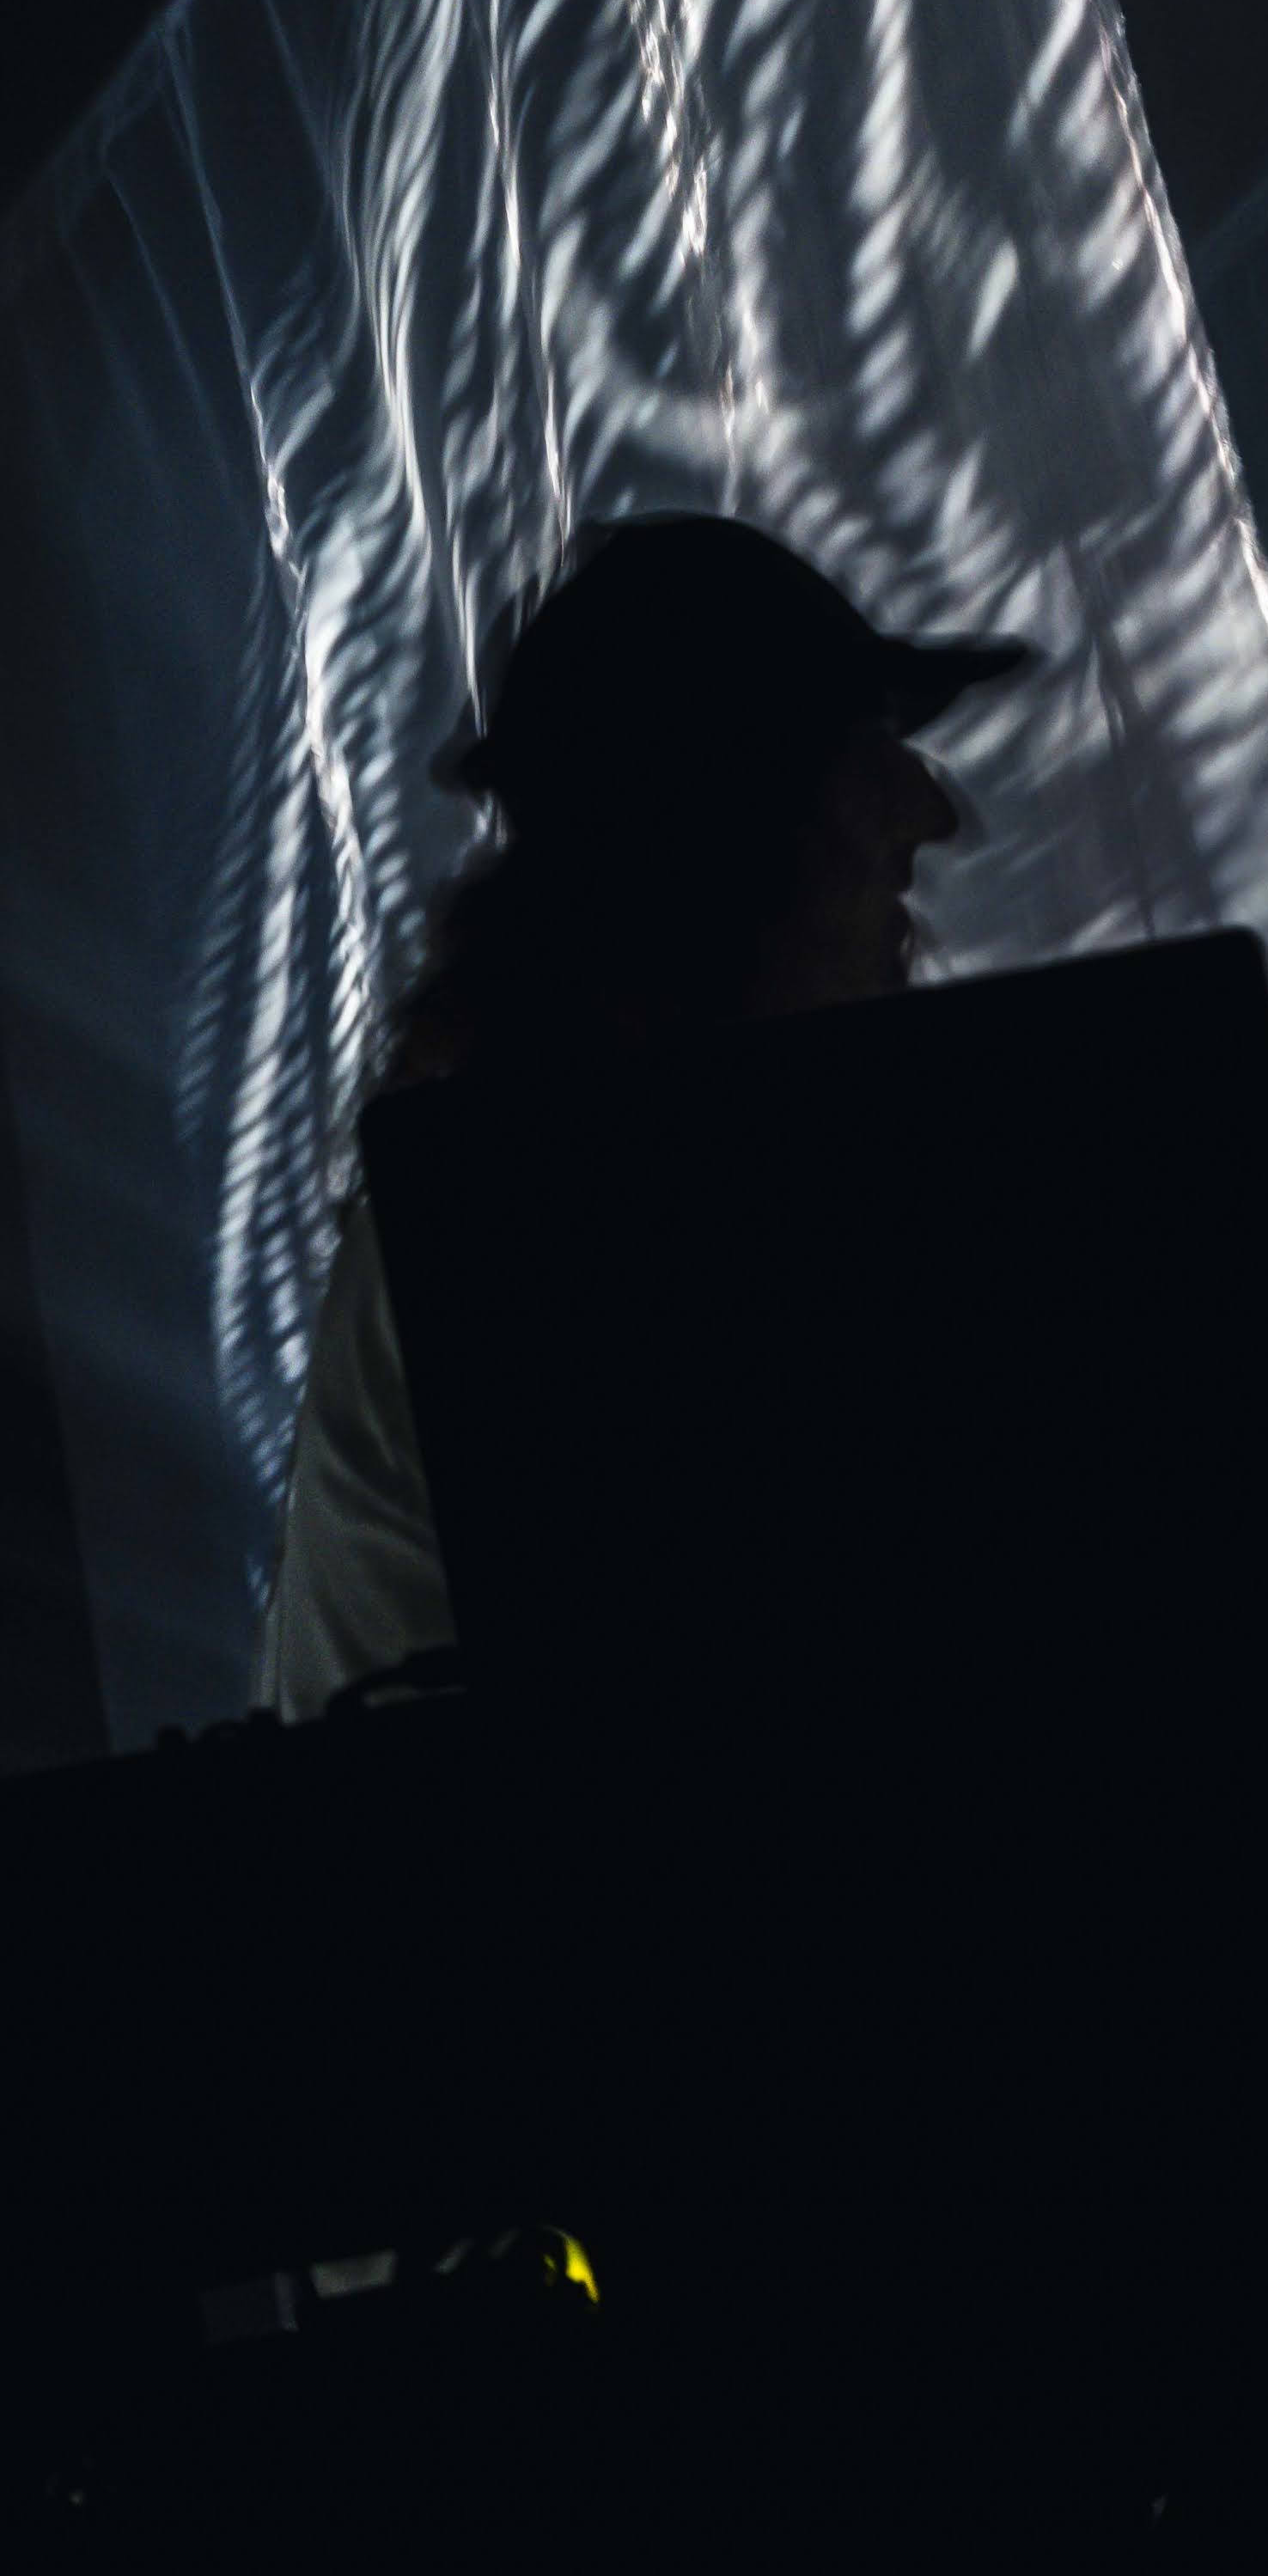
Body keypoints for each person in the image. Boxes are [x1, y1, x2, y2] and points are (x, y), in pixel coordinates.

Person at [253, 516, 1029, 1718]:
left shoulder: (591, 1188)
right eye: (861, 748)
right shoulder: (550, 1236)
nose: (930, 810)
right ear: (719, 834)